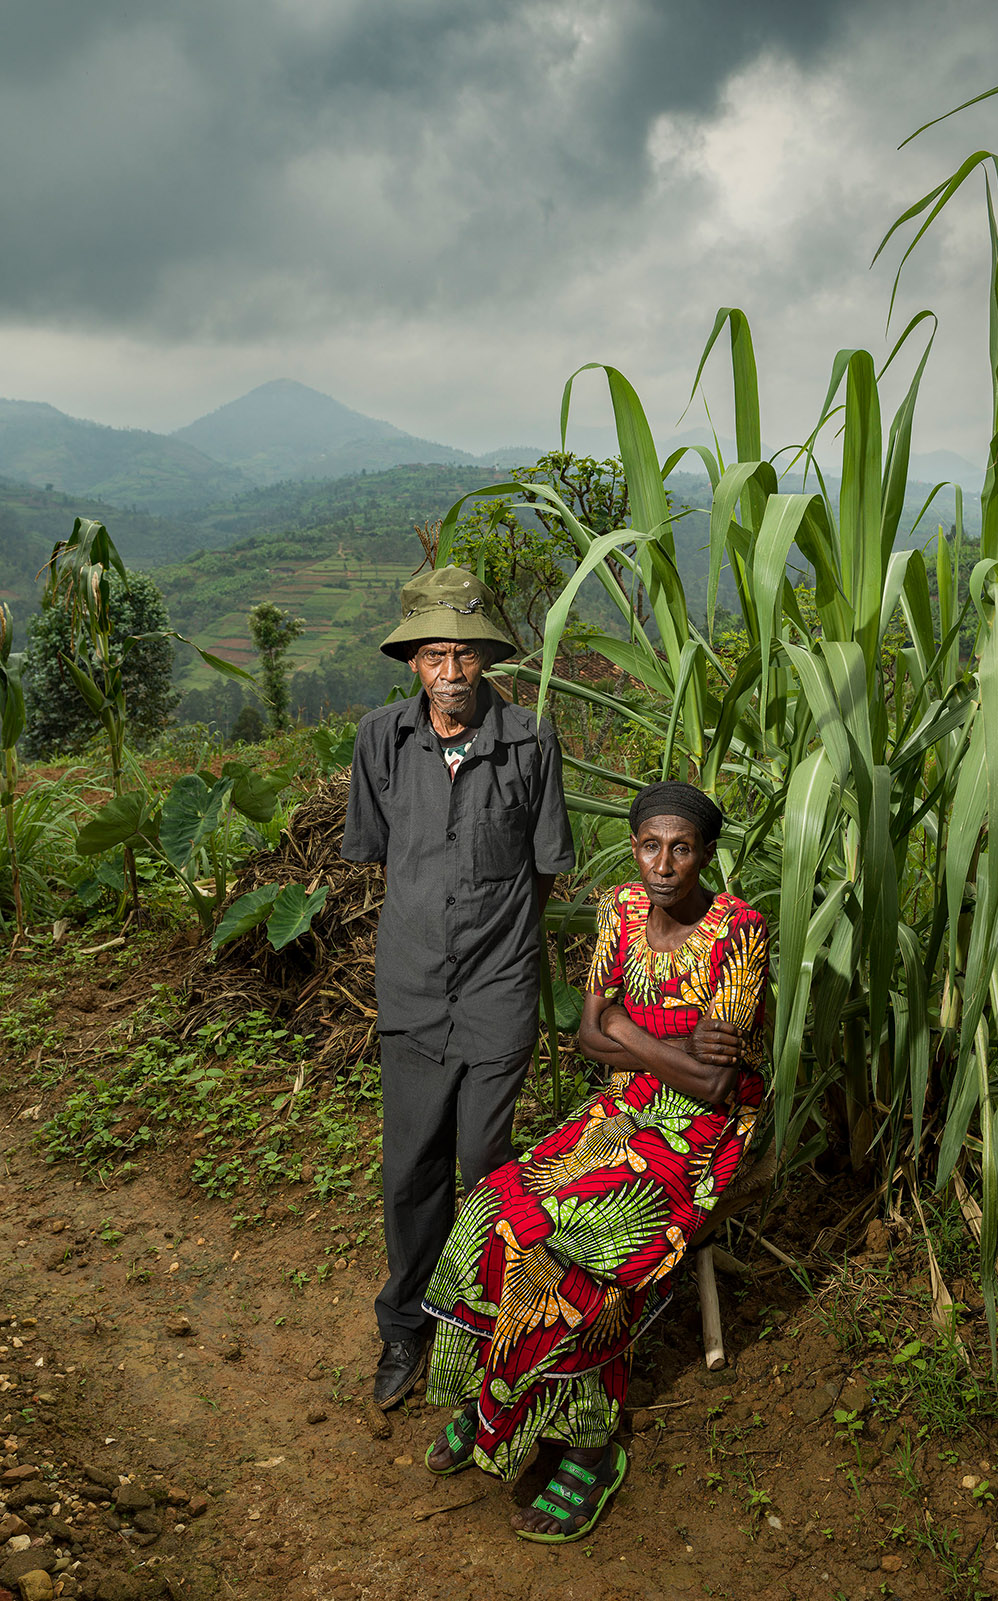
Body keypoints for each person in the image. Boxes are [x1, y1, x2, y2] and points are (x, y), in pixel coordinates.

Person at [420, 781, 768, 1544]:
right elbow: (586, 1036)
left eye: (682, 847)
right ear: (634, 846)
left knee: (581, 1248)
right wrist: (653, 1043)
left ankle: (588, 1442)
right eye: (650, 845)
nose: (664, 863)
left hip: (703, 1129)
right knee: (491, 1207)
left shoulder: (737, 930)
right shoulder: (618, 909)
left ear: (706, 853)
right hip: (622, 1107)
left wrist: (627, 1029)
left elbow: (713, 1082)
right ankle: (492, 1397)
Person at [340, 565, 575, 1409]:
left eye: (465, 654)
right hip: (410, 985)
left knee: (485, 1161)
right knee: (408, 1168)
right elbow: (377, 856)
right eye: (434, 654)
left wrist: (498, 939)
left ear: (486, 659)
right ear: (412, 662)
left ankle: (483, 1324)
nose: (450, 672)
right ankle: (405, 1327)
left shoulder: (529, 740)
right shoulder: (381, 739)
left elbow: (545, 870)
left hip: (499, 988)